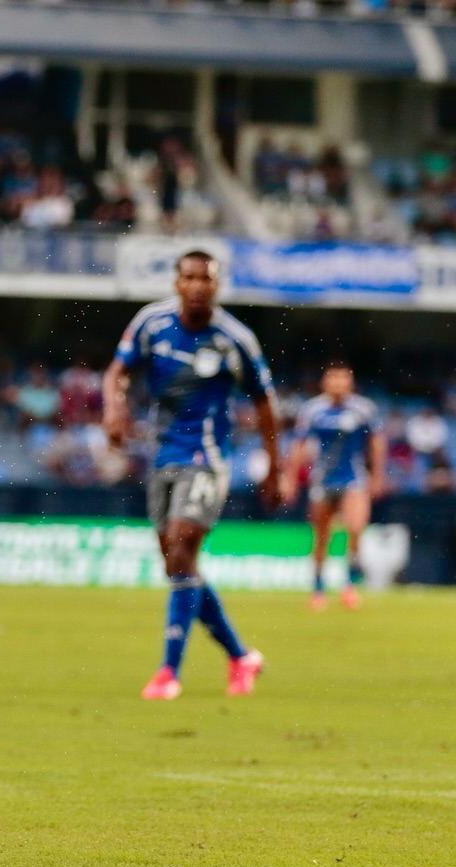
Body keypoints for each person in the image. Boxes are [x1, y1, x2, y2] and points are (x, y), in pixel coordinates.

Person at [102, 251, 280, 701]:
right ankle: (241, 655)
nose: (198, 285)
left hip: (207, 459)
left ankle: (168, 672)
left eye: (207, 278)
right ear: (177, 282)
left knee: (182, 549)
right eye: (190, 277)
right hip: (162, 458)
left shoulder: (235, 339)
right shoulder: (152, 323)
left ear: (217, 286)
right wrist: (115, 408)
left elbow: (264, 404)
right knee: (179, 566)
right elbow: (118, 371)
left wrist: (275, 468)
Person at [283, 364, 386, 610]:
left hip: (353, 479)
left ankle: (349, 586)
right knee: (321, 536)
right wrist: (290, 478)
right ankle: (318, 588)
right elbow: (299, 445)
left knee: (355, 527)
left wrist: (377, 475)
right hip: (323, 480)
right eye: (333, 379)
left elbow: (376, 441)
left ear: (350, 383)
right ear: (325, 383)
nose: (338, 384)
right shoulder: (312, 410)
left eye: (343, 379)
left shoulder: (363, 409)